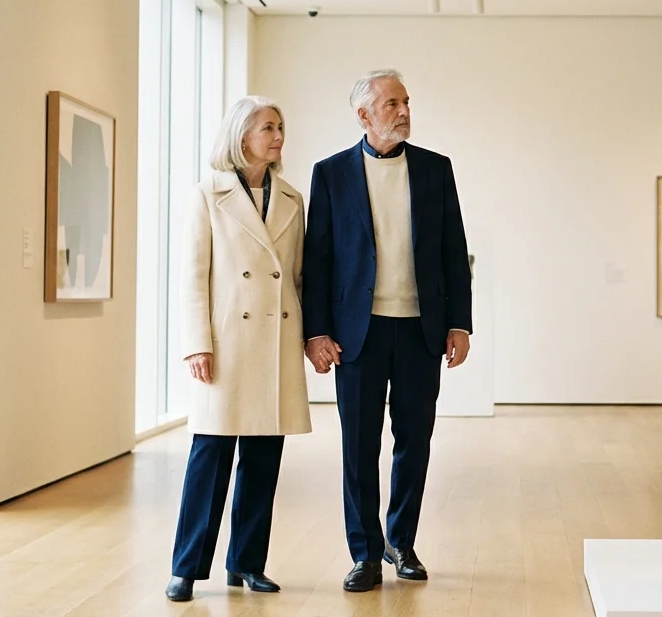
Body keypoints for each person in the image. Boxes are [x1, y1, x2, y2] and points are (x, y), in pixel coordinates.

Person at [302, 69, 473, 593]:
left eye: (405, 101)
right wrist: (316, 332)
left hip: (421, 330)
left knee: (414, 441)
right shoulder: (331, 173)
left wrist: (460, 323)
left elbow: (452, 250)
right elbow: (319, 259)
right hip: (358, 335)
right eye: (391, 103)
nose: (403, 111)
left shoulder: (435, 169)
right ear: (364, 115)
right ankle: (365, 553)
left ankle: (401, 542)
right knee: (358, 446)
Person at [165, 96, 318, 602]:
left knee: (262, 460)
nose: (278, 136)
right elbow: (192, 277)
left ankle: (247, 564)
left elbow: (299, 277)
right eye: (267, 127)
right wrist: (195, 345)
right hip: (227, 345)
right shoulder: (208, 195)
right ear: (241, 135)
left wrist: (310, 335)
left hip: (275, 341)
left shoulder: (293, 199)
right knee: (209, 458)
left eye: (280, 126)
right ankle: (186, 568)